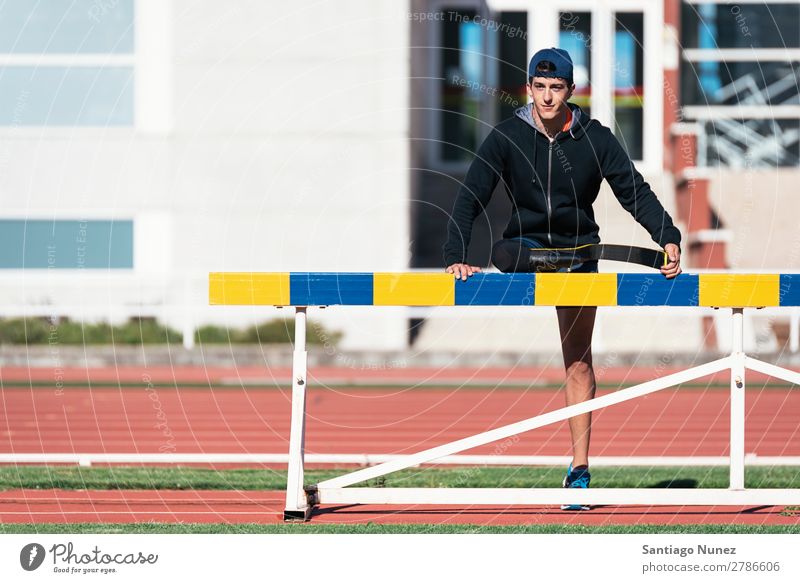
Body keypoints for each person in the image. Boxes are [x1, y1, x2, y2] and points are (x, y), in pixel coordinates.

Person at [443, 47, 682, 510]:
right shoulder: (506, 137)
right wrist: (456, 255)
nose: (547, 97)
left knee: (578, 361)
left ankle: (578, 470)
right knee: (503, 251)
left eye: (557, 88)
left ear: (571, 91)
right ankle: (545, 259)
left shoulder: (596, 138)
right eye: (540, 87)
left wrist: (668, 237)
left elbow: (636, 193)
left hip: (579, 259)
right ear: (528, 88)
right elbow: (470, 197)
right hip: (527, 253)